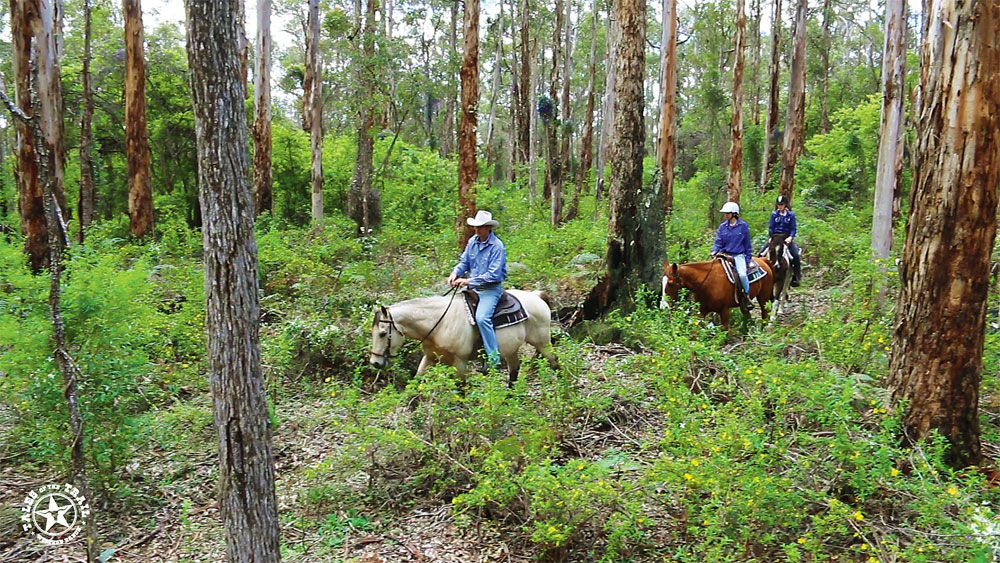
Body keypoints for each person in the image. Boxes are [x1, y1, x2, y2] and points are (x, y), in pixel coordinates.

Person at [448, 210, 508, 368]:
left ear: (488, 228)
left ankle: (494, 360)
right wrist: (455, 273)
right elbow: (464, 262)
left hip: (490, 290)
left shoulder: (497, 246)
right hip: (472, 288)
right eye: (476, 226)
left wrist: (467, 280)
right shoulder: (473, 241)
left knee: (482, 318)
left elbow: (493, 275)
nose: (477, 229)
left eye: (480, 227)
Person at [711, 201, 754, 311]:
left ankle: (746, 295)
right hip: (725, 255)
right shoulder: (722, 227)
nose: (725, 215)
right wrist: (715, 250)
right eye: (725, 213)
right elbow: (718, 242)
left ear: (734, 213)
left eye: (727, 213)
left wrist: (748, 259)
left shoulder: (743, 226)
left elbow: (747, 245)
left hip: (738, 255)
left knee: (742, 275)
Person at [769, 194, 802, 286]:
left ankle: (796, 277)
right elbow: (771, 227)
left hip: (786, 238)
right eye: (779, 205)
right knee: (761, 253)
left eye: (782, 205)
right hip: (775, 238)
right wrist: (771, 237)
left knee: (795, 255)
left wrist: (790, 237)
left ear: (785, 205)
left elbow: (793, 228)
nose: (780, 207)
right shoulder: (774, 214)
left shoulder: (791, 215)